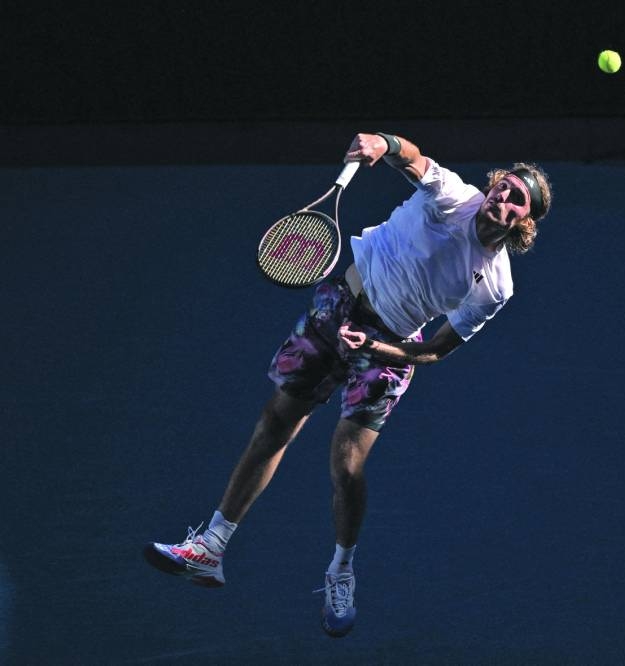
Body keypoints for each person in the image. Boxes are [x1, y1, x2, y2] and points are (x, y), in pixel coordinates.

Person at [144, 132, 552, 637]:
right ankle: (211, 547)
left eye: (517, 198)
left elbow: (435, 350)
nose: (503, 197)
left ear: (525, 221)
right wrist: (382, 142)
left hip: (390, 346)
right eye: (503, 186)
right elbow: (413, 158)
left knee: (347, 464)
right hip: (337, 304)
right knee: (277, 419)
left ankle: (341, 569)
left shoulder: (496, 285)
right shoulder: (451, 195)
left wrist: (378, 350)